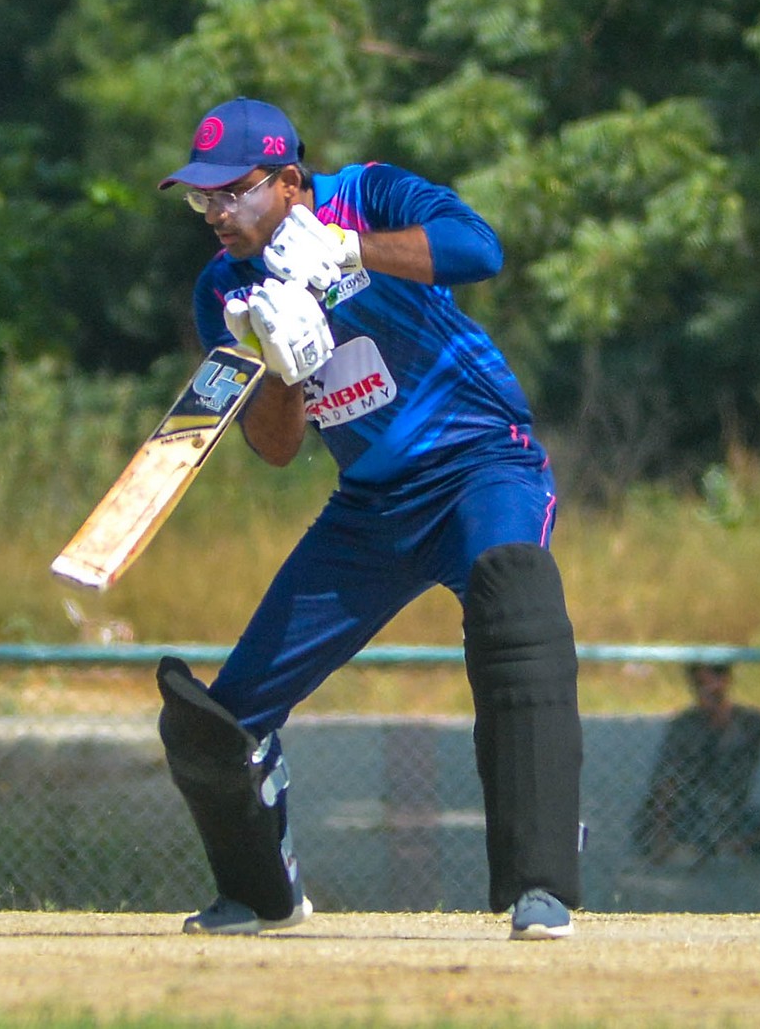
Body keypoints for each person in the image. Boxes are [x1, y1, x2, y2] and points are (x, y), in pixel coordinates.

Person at [152, 97, 582, 941]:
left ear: (288, 180)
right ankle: (264, 895)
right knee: (221, 722)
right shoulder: (225, 291)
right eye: (202, 198)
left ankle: (540, 886)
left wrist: (348, 249)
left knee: (516, 599)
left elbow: (480, 249)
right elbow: (275, 448)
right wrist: (282, 368)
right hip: (373, 508)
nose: (216, 213)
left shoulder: (367, 195)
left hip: (480, 463)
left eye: (233, 192)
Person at [632, 662, 760, 863]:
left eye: (711, 685)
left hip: (735, 801)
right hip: (694, 802)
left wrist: (719, 719)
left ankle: (734, 843)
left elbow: (749, 767)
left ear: (725, 681)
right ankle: (709, 845)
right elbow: (667, 779)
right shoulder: (684, 725)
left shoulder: (750, 722)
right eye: (699, 685)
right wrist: (661, 832)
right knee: (649, 818)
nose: (706, 691)